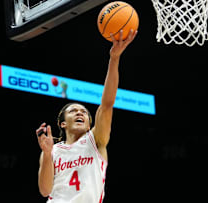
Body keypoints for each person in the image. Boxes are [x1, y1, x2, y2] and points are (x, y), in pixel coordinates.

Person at [36, 29, 137, 203]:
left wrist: (114, 59)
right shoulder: (53, 151)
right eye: (73, 111)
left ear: (90, 123)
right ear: (63, 124)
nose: (80, 112)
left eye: (84, 112)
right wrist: (46, 153)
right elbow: (45, 191)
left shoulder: (95, 140)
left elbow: (106, 104)